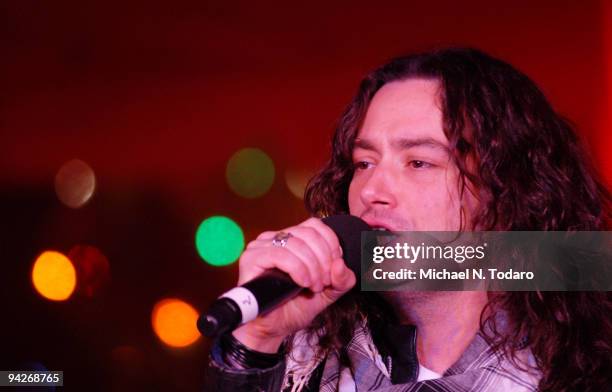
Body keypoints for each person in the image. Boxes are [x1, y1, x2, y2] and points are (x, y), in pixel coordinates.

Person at [204, 48, 612, 391]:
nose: (371, 191)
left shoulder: (585, 365)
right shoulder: (305, 363)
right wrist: (255, 344)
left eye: (418, 162)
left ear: (507, 188)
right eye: (363, 162)